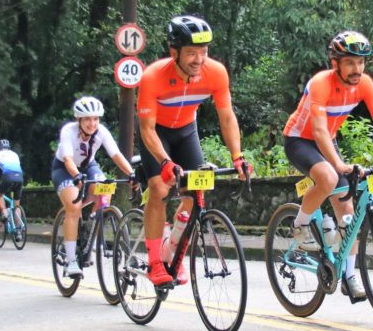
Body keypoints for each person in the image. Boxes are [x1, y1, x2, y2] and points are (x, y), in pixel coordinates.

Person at [283, 30, 373, 299]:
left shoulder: (364, 84)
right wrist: (338, 164)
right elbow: (317, 131)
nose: (357, 69)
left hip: (329, 141)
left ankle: (349, 275)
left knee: (348, 215)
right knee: (327, 178)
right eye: (350, 62)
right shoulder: (320, 84)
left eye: (361, 62)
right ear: (335, 62)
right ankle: (300, 224)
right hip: (300, 140)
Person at [137, 15, 251, 286]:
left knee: (194, 194)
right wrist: (164, 162)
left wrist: (238, 157)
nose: (199, 60)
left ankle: (172, 251)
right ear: (173, 52)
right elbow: (146, 129)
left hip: (187, 129)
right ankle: (154, 262)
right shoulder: (153, 76)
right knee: (159, 188)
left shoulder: (216, 72)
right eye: (191, 53)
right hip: (157, 133)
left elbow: (226, 117)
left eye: (203, 52)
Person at [51, 96, 137, 278]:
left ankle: (91, 225)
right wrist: (75, 176)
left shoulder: (101, 132)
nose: (92, 123)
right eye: (88, 119)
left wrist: (131, 174)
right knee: (74, 207)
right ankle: (71, 260)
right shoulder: (69, 131)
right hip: (65, 169)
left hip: (88, 166)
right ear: (79, 120)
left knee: (105, 191)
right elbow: (67, 159)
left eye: (96, 119)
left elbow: (116, 155)